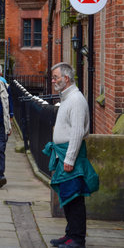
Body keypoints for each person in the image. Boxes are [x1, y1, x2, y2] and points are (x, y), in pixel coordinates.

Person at [43, 63, 99, 248]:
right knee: (68, 197)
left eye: (55, 77)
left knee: (74, 198)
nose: (53, 81)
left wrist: (69, 159)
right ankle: (70, 235)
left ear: (66, 78)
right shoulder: (68, 98)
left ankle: (77, 239)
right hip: (63, 154)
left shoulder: (76, 100)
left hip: (69, 156)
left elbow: (77, 133)